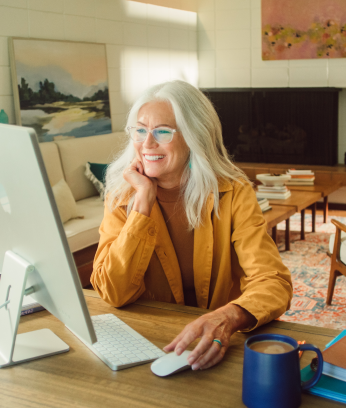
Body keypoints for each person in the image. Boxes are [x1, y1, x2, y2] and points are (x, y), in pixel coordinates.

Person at [91, 80, 292, 370]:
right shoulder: (122, 196)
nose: (147, 143)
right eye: (140, 130)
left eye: (162, 131)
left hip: (218, 342)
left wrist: (229, 317)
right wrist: (143, 203)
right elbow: (112, 291)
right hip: (148, 341)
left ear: (194, 136)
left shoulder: (233, 193)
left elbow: (273, 282)